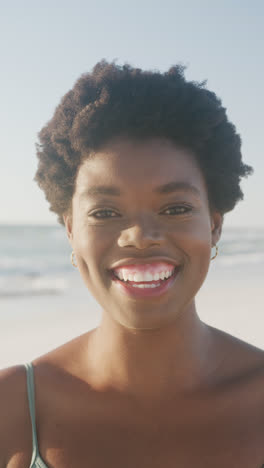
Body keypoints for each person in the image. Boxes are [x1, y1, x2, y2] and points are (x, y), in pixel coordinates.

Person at [1, 59, 264, 468]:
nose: (139, 236)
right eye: (105, 213)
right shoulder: (12, 409)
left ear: (214, 225)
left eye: (175, 207)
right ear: (71, 229)